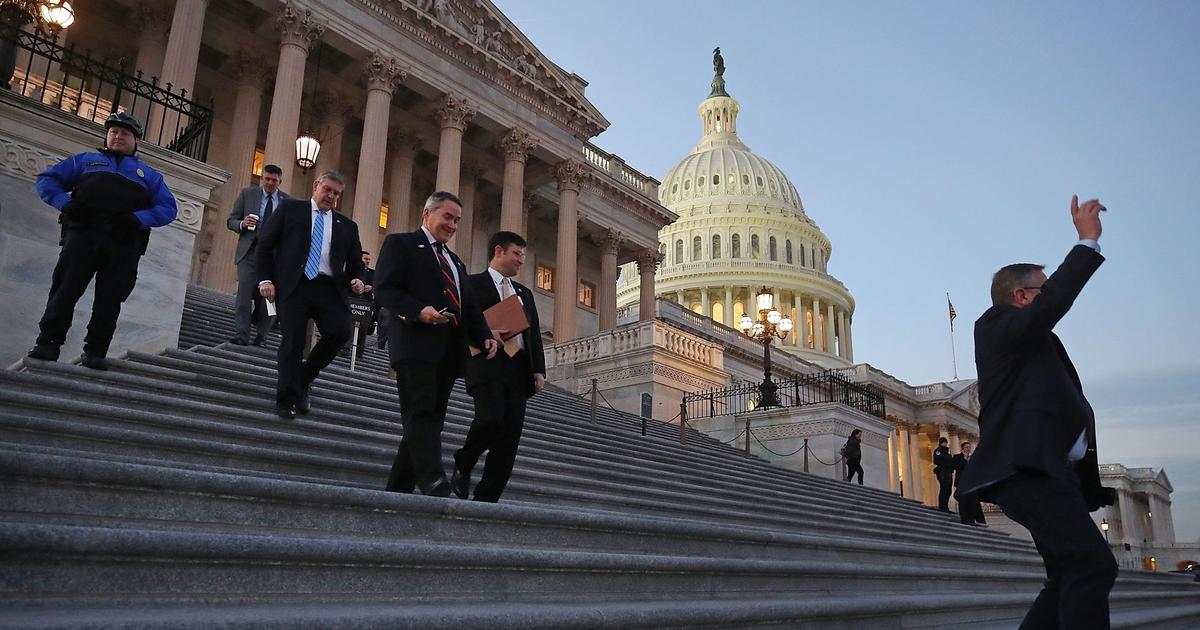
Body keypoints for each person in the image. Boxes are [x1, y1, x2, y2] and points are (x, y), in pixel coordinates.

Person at [957, 195, 1118, 629]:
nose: (1049, 297)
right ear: (1023, 296)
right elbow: (1055, 304)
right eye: (1042, 291)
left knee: (1069, 573)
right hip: (1027, 473)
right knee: (1093, 566)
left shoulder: (1028, 341)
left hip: (1047, 474)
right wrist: (1087, 242)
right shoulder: (995, 325)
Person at [27, 112, 177, 370]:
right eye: (114, 132)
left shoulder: (149, 176)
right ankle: (48, 343)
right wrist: (66, 204)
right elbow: (47, 180)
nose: (118, 136)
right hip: (83, 236)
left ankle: (96, 351)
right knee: (64, 291)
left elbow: (168, 208)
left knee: (109, 300)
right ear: (107, 136)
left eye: (125, 133)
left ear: (136, 140)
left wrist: (138, 219)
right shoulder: (85, 161)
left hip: (123, 244)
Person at [375, 191, 497, 497]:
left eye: (457, 220)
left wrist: (483, 335)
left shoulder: (454, 261)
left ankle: (398, 488)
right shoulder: (401, 244)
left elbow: (468, 307)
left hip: (447, 351)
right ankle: (432, 479)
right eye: (447, 216)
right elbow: (385, 289)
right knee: (421, 413)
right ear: (427, 214)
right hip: (414, 343)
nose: (453, 225)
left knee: (432, 418)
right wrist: (418, 311)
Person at [256, 170, 366, 419]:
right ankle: (286, 399)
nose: (331, 196)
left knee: (341, 331)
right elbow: (265, 245)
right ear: (316, 185)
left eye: (336, 193)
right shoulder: (289, 210)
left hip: (329, 288)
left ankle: (303, 379)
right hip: (294, 285)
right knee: (293, 340)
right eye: (327, 189)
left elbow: (356, 262)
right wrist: (265, 279)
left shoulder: (347, 226)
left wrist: (358, 278)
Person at [452, 231, 546, 502]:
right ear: (499, 251)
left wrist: (538, 370)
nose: (521, 261)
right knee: (490, 419)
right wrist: (484, 333)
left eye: (523, 256)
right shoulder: (472, 284)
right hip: (487, 363)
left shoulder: (524, 293)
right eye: (517, 254)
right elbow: (464, 322)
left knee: (509, 439)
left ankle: (487, 497)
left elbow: (534, 335)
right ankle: (465, 459)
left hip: (519, 370)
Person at [227, 163, 290, 346]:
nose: (270, 183)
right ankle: (241, 334)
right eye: (267, 179)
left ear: (280, 181)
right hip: (250, 252)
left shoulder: (288, 202)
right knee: (244, 294)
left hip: (274, 257)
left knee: (270, 299)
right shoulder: (248, 194)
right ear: (262, 178)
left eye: (274, 180)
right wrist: (241, 224)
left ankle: (262, 335)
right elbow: (231, 220)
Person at [952, 441, 986, 526]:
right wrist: (964, 459)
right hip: (961, 482)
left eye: (969, 447)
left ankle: (977, 519)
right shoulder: (957, 457)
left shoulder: (972, 458)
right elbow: (956, 466)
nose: (968, 449)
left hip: (971, 483)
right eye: (966, 447)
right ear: (962, 448)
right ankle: (965, 519)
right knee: (963, 501)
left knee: (973, 501)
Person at [933, 436, 954, 512]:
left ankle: (946, 506)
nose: (945, 444)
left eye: (946, 442)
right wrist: (946, 465)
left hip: (948, 472)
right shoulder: (938, 451)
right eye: (944, 442)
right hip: (942, 472)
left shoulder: (947, 452)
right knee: (944, 489)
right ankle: (942, 507)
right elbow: (936, 461)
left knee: (948, 490)